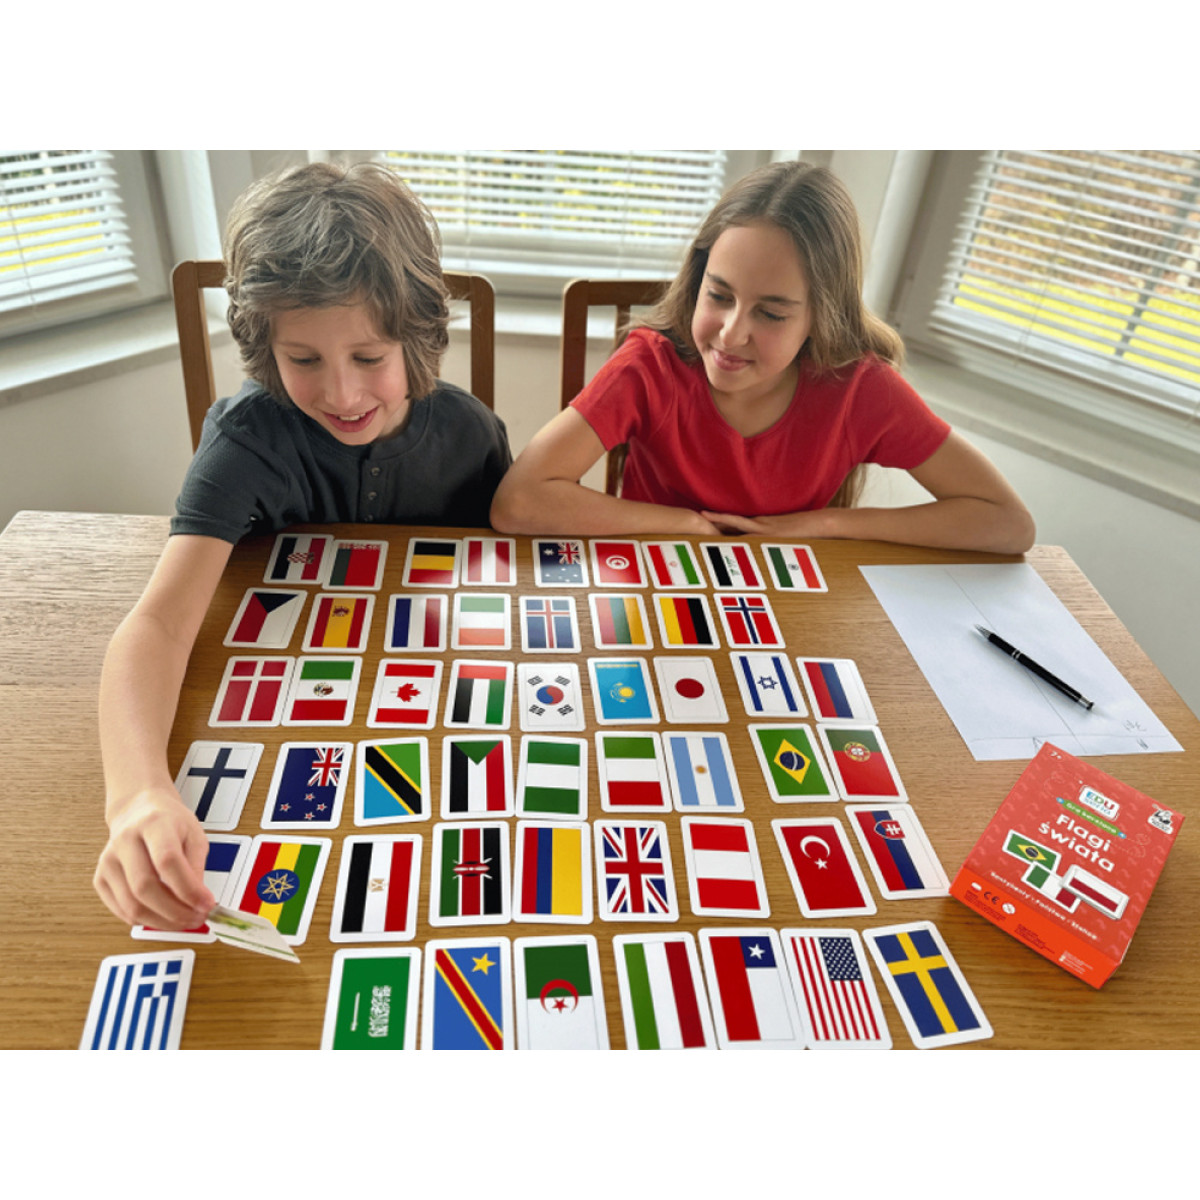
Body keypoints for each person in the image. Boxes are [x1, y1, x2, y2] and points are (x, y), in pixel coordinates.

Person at [94, 162, 511, 929]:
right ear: (266, 347)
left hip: (434, 732)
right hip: (286, 734)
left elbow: (504, 591)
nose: (342, 394)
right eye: (304, 360)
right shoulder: (245, 441)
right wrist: (136, 794)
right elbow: (156, 624)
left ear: (416, 338)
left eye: (369, 358)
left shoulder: (471, 433)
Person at [490, 160, 1035, 555]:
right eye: (718, 295)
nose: (731, 334)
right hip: (657, 585)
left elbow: (1008, 522)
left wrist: (825, 525)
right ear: (698, 279)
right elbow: (518, 502)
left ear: (821, 316)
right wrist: (687, 525)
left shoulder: (860, 389)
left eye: (771, 314)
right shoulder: (649, 366)